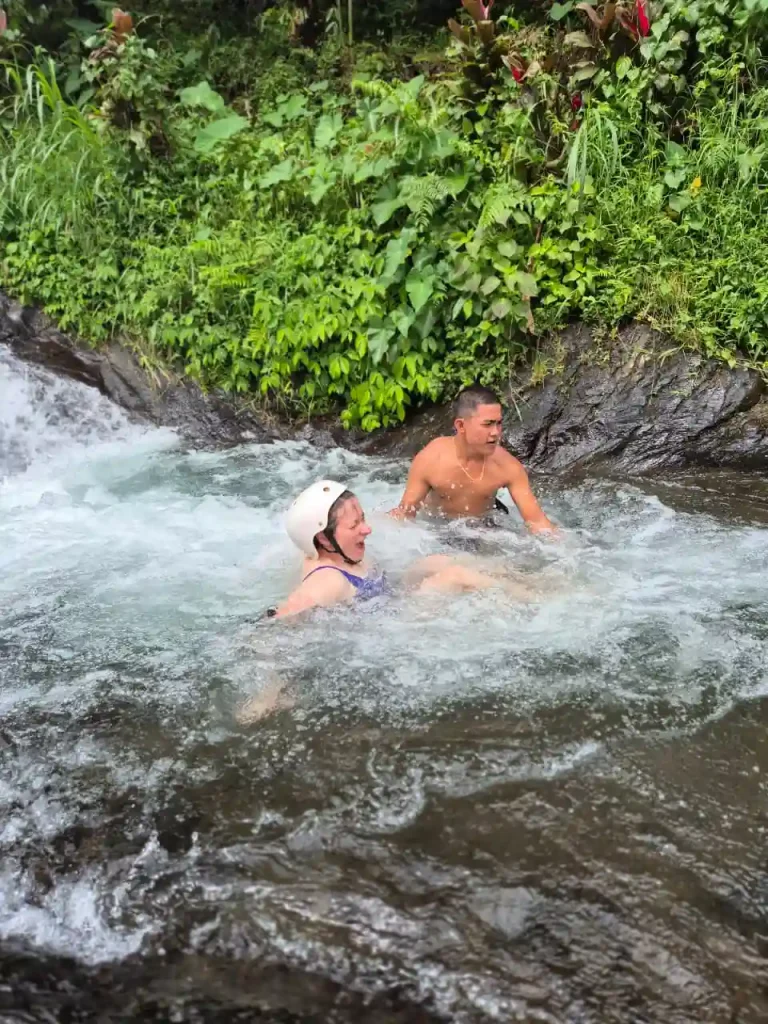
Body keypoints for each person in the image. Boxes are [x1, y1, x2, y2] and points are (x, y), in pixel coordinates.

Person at [270, 479, 541, 619]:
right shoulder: (326, 580)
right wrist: (269, 693)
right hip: (388, 628)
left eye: (363, 518)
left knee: (437, 561)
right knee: (453, 576)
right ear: (325, 540)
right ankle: (539, 601)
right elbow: (285, 619)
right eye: (355, 525)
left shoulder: (332, 548)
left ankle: (529, 579)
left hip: (388, 600)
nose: (367, 529)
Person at [389, 384, 555, 532]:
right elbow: (405, 514)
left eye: (498, 423)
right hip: (436, 528)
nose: (495, 432)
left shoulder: (507, 465)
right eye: (487, 424)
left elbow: (538, 522)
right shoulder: (431, 459)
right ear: (461, 425)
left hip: (484, 528)